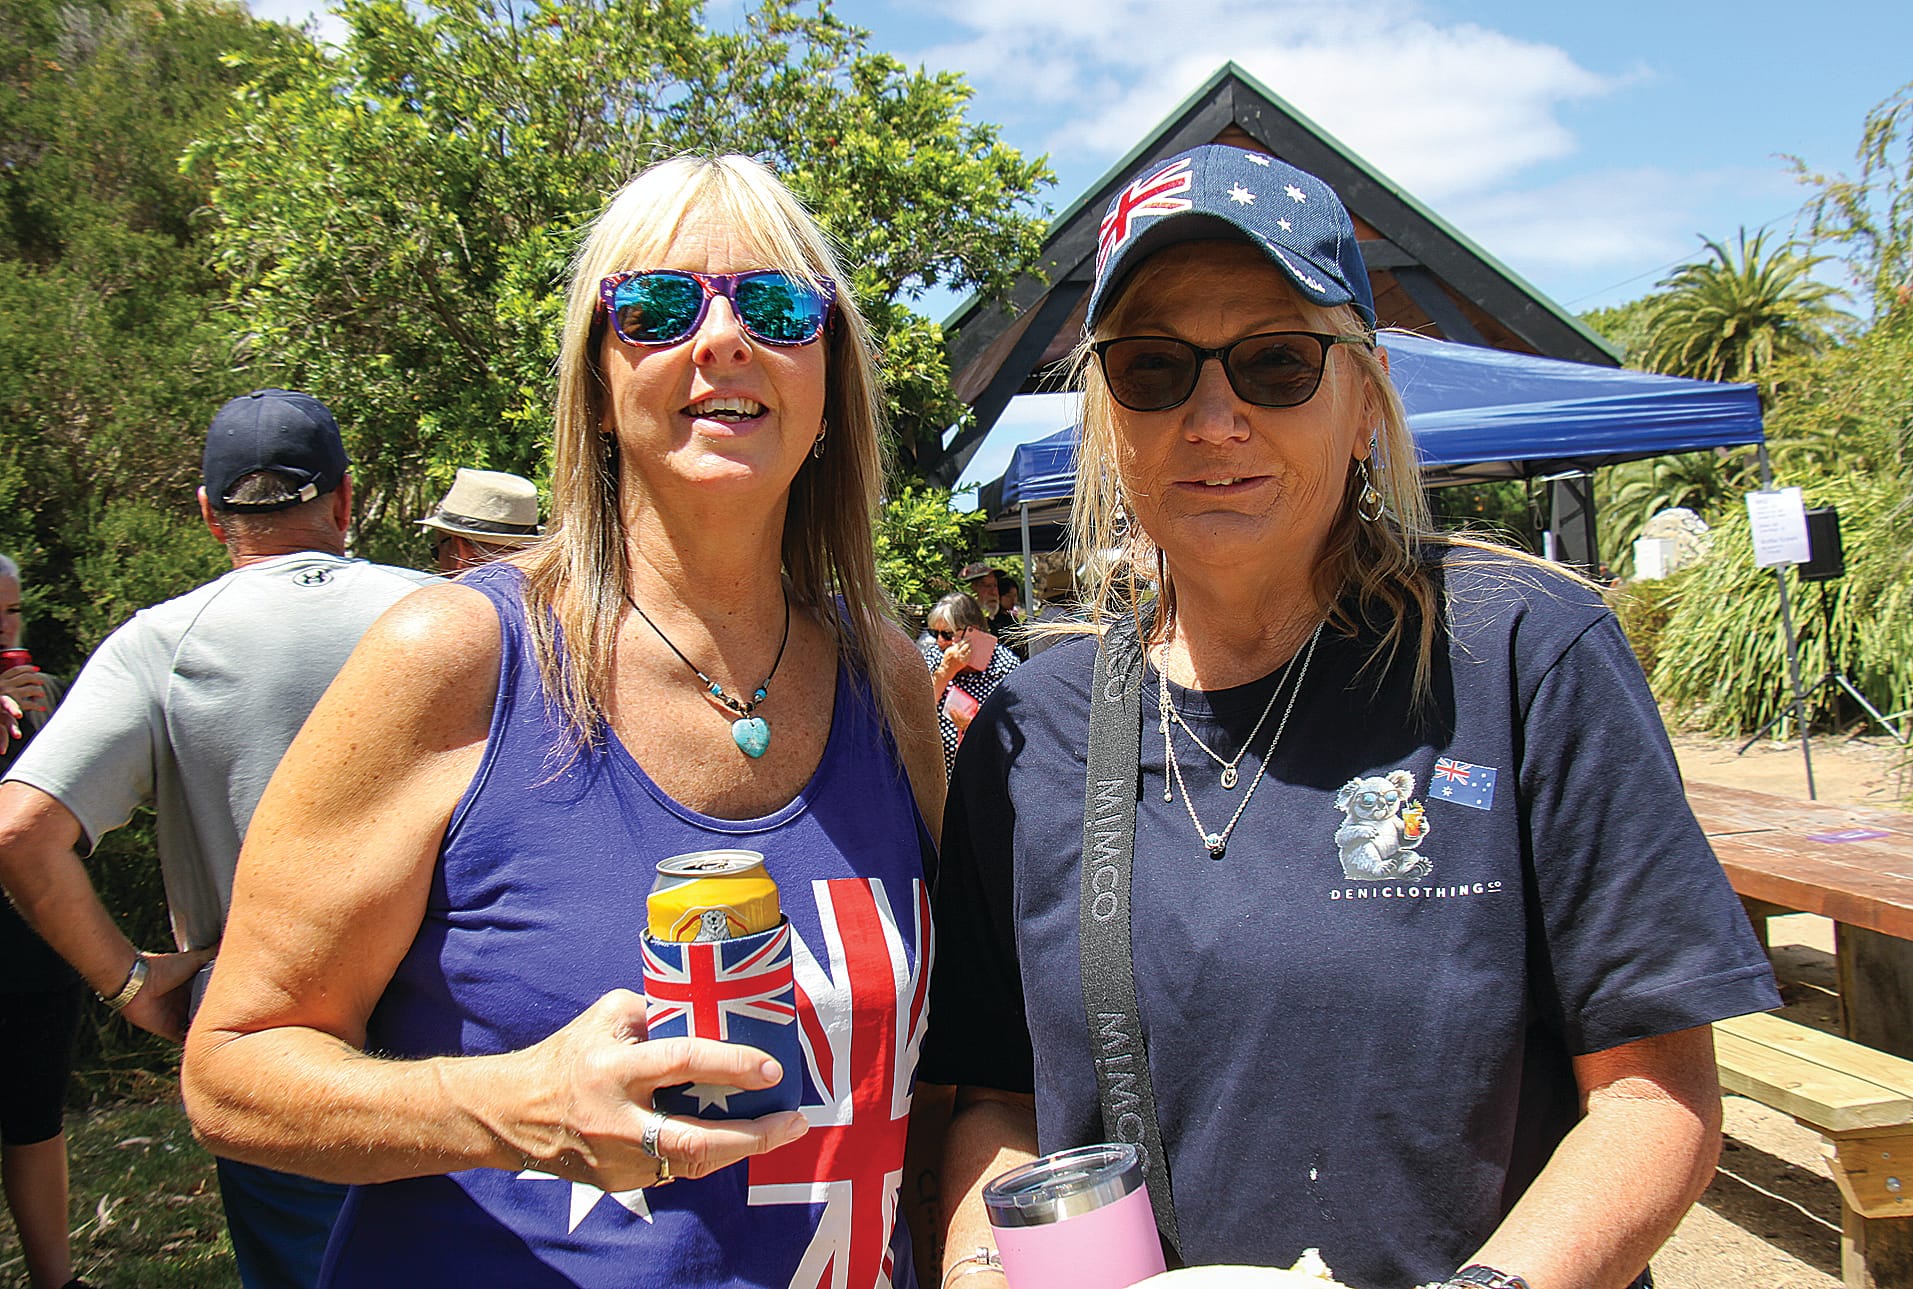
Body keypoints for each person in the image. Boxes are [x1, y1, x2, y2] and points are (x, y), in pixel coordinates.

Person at [923, 144, 1780, 1289]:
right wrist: (984, 1269)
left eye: (1276, 363)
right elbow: (999, 1098)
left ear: (1364, 398)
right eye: (1153, 367)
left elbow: (1651, 1093)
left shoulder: (1522, 655)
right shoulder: (1031, 730)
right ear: (1106, 415)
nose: (1213, 415)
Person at [180, 154, 946, 1288]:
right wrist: (504, 1104)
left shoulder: (884, 676)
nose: (723, 337)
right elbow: (231, 1068)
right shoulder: (456, 656)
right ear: (594, 383)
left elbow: (929, 1091)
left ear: (828, 383)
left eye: (779, 305)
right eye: (656, 306)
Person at [0, 389, 437, 1289]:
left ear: (209, 516)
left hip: (283, 1058)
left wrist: (132, 983)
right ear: (346, 500)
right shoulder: (455, 614)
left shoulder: (158, 644)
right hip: (471, 1036)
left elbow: (22, 831)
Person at [0, 555, 88, 1289]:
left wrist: (48, 733)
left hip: (34, 953)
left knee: (36, 1118)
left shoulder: (50, 696)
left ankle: (54, 1278)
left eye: (13, 614)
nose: (4, 632)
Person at [919, 592, 1018, 778]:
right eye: (935, 633)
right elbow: (918, 711)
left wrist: (975, 726)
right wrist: (947, 671)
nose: (940, 642)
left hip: (988, 776)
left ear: (972, 631)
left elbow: (1016, 728)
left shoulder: (1005, 665)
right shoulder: (935, 658)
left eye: (947, 634)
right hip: (941, 777)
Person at [417, 468, 544, 574]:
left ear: (460, 550)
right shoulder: (551, 597)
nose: (438, 562)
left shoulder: (448, 601)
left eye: (436, 553)